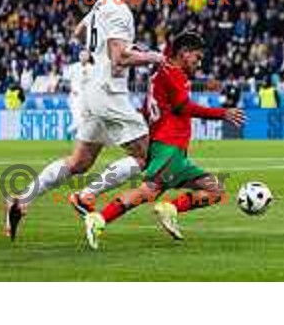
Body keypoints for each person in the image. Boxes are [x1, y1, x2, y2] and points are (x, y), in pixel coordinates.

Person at [4, 0, 164, 239]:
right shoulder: (120, 11)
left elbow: (79, 32)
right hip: (108, 92)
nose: (141, 0)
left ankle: (21, 198)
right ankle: (85, 196)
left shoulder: (102, 2)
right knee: (147, 156)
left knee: (79, 162)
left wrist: (96, 50)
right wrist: (155, 57)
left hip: (91, 90)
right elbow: (118, 58)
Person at [81, 31, 245, 249]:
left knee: (215, 190)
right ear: (184, 53)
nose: (199, 62)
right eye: (197, 57)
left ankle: (169, 209)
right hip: (170, 147)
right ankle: (99, 219)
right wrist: (221, 113)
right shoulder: (174, 73)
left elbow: (148, 111)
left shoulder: (160, 73)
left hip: (168, 148)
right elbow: (183, 107)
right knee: (146, 191)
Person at [63, 48, 95, 133]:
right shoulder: (73, 67)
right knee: (78, 118)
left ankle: (71, 131)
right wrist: (71, 89)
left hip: (87, 97)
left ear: (88, 57)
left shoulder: (92, 68)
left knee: (84, 119)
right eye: (82, 55)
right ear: (79, 56)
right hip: (75, 96)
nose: (83, 57)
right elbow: (66, 81)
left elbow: (94, 83)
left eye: (85, 55)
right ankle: (71, 131)